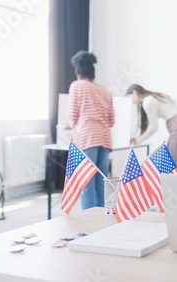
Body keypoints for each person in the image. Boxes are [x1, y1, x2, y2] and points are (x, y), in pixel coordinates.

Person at [67, 50, 115, 209]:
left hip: (87, 137)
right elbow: (111, 120)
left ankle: (88, 221)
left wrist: (71, 124)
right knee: (101, 182)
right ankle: (102, 218)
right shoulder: (104, 90)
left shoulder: (77, 86)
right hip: (105, 138)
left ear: (78, 73)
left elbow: (73, 116)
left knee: (86, 182)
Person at [127, 84, 177, 169]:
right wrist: (136, 138)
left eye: (129, 97)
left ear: (134, 92)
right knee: (170, 163)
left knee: (173, 164)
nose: (131, 102)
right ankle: (171, 182)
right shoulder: (152, 98)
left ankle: (173, 182)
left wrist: (138, 140)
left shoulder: (148, 101)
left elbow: (154, 127)